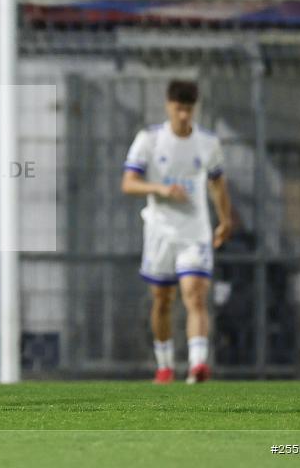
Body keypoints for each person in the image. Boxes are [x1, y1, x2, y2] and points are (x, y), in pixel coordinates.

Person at [121, 80, 233, 385]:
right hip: (160, 232)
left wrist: (225, 219)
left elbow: (217, 184)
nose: (183, 115)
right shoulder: (149, 140)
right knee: (162, 300)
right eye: (179, 109)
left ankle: (198, 365)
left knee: (195, 294)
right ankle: (165, 365)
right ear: (168, 106)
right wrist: (160, 189)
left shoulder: (207, 143)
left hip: (194, 232)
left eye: (189, 109)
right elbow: (128, 183)